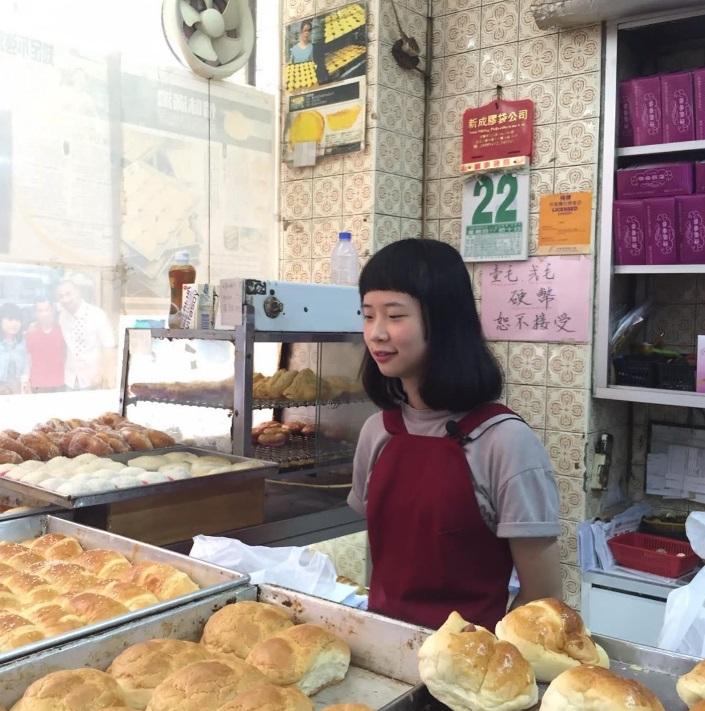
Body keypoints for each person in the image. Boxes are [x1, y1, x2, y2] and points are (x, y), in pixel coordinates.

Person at [348, 239, 561, 631]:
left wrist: (487, 655)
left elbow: (542, 599)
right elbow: (390, 563)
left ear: (443, 322)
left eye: (394, 316)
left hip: (471, 656)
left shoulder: (506, 443)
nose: (376, 333)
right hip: (382, 643)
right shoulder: (377, 431)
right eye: (368, 315)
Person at [57, 279, 116, 390]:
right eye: (61, 296)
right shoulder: (62, 317)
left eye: (68, 294)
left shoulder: (97, 314)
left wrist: (103, 373)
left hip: (93, 379)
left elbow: (109, 347)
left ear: (78, 292)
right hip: (70, 379)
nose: (65, 299)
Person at [25, 298, 66, 393]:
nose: (44, 314)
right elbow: (28, 359)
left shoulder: (62, 330)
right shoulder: (31, 332)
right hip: (38, 385)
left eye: (47, 309)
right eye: (40, 311)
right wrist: (27, 380)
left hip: (59, 383)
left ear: (53, 310)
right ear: (36, 313)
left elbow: (66, 355)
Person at [0, 302, 29, 395]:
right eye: (10, 319)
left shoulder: (23, 342)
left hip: (17, 388)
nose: (14, 323)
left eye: (18, 320)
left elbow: (26, 366)